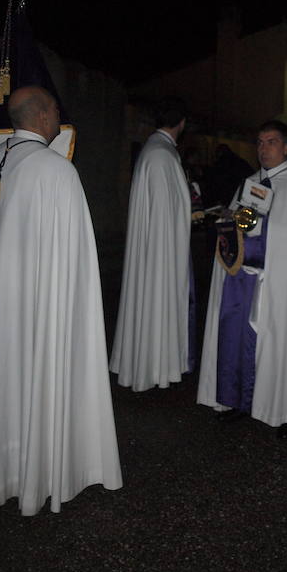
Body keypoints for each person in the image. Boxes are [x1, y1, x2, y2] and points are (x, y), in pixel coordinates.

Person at [0, 86, 122, 515]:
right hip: (38, 309)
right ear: (41, 116)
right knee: (36, 376)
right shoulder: (55, 170)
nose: (59, 115)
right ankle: (39, 469)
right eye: (56, 109)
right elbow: (75, 262)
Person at [197, 120, 287, 439]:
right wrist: (229, 222)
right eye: (259, 142)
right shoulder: (249, 182)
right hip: (244, 278)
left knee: (286, 342)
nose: (263, 148)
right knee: (236, 335)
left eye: (271, 142)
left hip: (282, 282)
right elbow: (238, 221)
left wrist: (265, 231)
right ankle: (238, 400)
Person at [111, 97, 195, 391]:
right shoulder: (161, 155)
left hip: (158, 244)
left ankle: (153, 364)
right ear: (181, 123)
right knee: (156, 300)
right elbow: (163, 214)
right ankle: (155, 367)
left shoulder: (156, 150)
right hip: (160, 249)